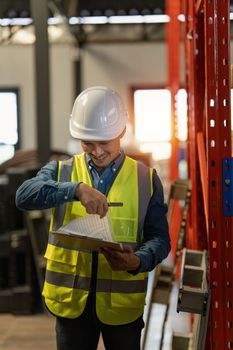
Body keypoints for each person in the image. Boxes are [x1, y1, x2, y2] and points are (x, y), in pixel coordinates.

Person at [16, 86, 170, 350]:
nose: (97, 151)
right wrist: (75, 189)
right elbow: (23, 196)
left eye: (105, 142)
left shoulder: (146, 179)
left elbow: (160, 239)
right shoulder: (62, 171)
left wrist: (137, 260)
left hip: (121, 307)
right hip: (71, 304)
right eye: (88, 142)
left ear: (121, 131)